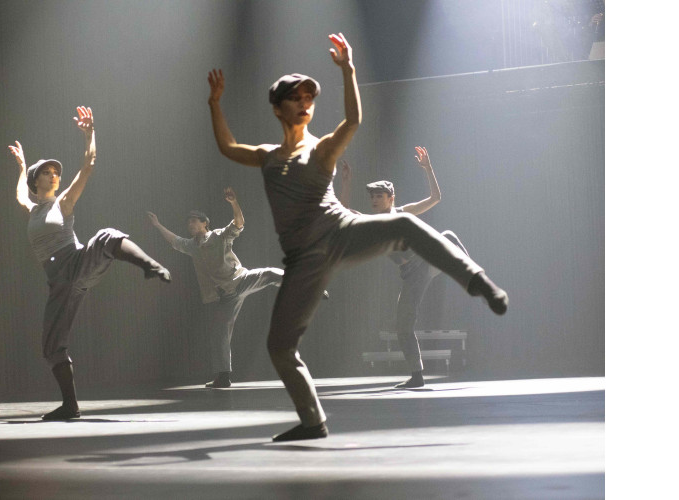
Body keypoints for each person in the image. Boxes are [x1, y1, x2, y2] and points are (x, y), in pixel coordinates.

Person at [207, 33, 508, 441]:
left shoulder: (322, 149)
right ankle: (313, 423)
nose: (304, 103)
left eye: (308, 98)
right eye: (295, 98)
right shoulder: (266, 156)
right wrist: (214, 102)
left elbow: (352, 122)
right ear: (278, 108)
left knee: (403, 224)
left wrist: (348, 71)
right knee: (280, 347)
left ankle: (477, 281)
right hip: (302, 259)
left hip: (341, 232)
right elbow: (227, 147)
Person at [9, 106, 171, 421]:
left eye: (56, 172)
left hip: (77, 262)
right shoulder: (31, 208)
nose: (54, 175)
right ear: (35, 181)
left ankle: (150, 266)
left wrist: (90, 134)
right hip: (59, 282)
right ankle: (70, 406)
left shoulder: (64, 202)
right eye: (47, 172)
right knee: (51, 345)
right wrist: (22, 165)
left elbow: (88, 165)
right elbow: (18, 195)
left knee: (106, 235)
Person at [339, 149, 472, 389]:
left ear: (391, 198)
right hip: (412, 276)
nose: (374, 200)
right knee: (403, 324)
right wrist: (346, 182)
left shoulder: (403, 212)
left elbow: (435, 198)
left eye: (379, 196)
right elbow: (343, 214)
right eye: (372, 197)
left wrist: (428, 169)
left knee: (448, 236)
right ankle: (417, 376)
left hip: (428, 259)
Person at [146, 187, 284, 389]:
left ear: (205, 224)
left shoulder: (219, 236)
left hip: (238, 281)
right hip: (222, 297)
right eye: (189, 221)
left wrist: (234, 203)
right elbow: (174, 241)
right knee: (219, 335)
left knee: (270, 273)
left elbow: (238, 224)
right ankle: (223, 377)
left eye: (194, 221)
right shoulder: (191, 245)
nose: (190, 224)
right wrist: (158, 225)